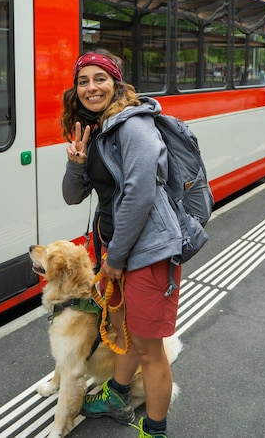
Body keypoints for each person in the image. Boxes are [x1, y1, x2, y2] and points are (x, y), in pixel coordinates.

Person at [61, 50, 183, 438]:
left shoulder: (133, 127)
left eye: (100, 78)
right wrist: (77, 163)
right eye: (83, 81)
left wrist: (114, 258)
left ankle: (155, 430)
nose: (91, 87)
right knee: (120, 332)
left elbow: (140, 194)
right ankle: (116, 395)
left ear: (116, 82)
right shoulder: (97, 130)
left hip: (147, 252)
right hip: (117, 250)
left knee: (150, 349)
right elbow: (71, 196)